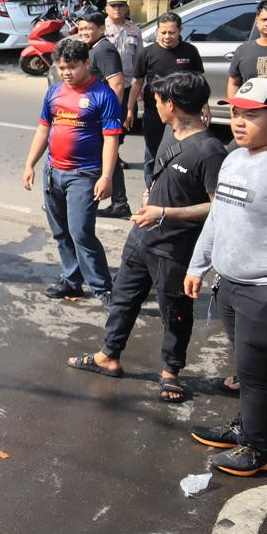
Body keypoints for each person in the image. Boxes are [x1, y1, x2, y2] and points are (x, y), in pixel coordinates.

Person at [66, 72, 225, 402]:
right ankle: (108, 356)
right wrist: (149, 195)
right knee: (122, 300)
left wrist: (164, 212)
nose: (152, 106)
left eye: (156, 101)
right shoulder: (169, 130)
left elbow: (216, 207)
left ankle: (170, 373)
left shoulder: (210, 151)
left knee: (175, 313)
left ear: (172, 104)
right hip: (141, 238)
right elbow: (158, 175)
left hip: (175, 249)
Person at [186, 77, 267, 476]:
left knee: (258, 376)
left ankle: (259, 449)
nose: (239, 122)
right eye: (237, 113)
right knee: (248, 370)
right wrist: (198, 264)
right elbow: (218, 217)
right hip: (230, 286)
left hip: (265, 292)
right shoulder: (234, 157)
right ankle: (247, 429)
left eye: (251, 115)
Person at [22, 38, 122, 301]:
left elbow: (111, 139)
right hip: (53, 173)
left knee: (81, 232)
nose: (66, 72)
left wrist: (106, 176)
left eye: (72, 67)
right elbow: (43, 129)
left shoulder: (103, 95)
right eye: (62, 67)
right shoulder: (54, 92)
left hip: (84, 175)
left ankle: (103, 288)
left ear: (86, 63)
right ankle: (71, 280)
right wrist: (30, 164)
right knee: (61, 232)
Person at [128, 12, 204, 186]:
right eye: (163, 32)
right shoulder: (147, 53)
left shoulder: (190, 51)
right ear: (157, 31)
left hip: (183, 112)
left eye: (171, 32)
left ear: (180, 31)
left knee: (182, 152)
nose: (167, 36)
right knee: (152, 153)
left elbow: (198, 80)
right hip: (154, 111)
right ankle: (151, 188)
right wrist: (129, 109)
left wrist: (204, 105)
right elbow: (137, 82)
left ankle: (176, 186)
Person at [75, 10, 132, 218]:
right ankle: (119, 203)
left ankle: (109, 202)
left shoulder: (103, 50)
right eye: (81, 28)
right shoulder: (93, 47)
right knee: (107, 157)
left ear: (101, 28)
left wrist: (109, 116)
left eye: (89, 28)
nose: (84, 32)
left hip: (103, 116)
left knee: (101, 157)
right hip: (95, 114)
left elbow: (117, 84)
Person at [226, 0, 267, 97]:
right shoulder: (243, 50)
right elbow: (234, 83)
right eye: (264, 19)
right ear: (257, 21)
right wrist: (234, 105)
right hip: (249, 105)